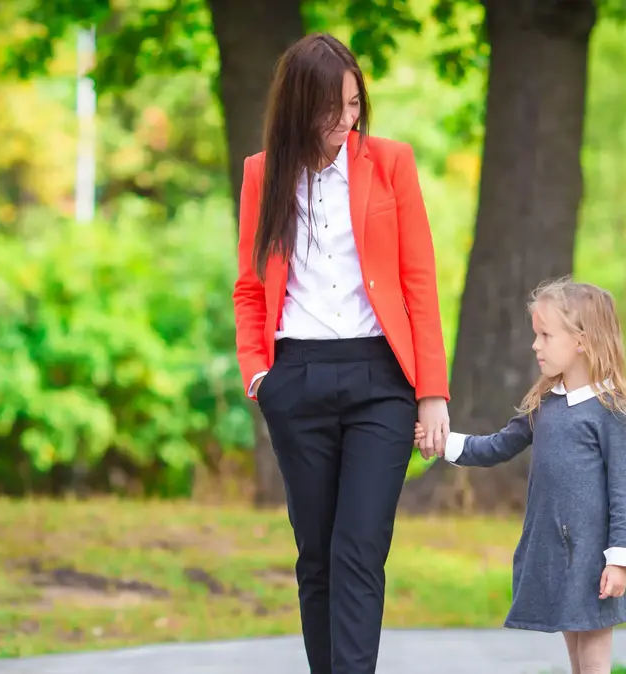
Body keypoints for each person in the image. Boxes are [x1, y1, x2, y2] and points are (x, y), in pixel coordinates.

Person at [231, 33, 451, 674]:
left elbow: (419, 280)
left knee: (359, 549)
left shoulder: (390, 163)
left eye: (355, 104)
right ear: (300, 105)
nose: (347, 120)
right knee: (317, 557)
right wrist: (258, 377)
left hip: (380, 379)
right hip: (294, 378)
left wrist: (431, 391)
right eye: (333, 107)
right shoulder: (260, 174)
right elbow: (250, 287)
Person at [416, 277, 626, 674]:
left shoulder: (610, 411)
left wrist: (619, 561)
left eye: (545, 335)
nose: (535, 345)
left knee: (594, 654)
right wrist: (442, 442)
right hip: (555, 546)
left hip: (594, 555)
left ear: (582, 341)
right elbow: (497, 446)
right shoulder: (545, 405)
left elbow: (623, 492)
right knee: (574, 648)